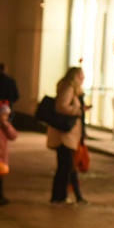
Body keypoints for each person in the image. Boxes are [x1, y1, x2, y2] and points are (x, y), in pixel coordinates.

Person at [47, 67, 85, 204]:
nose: (83, 78)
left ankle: (60, 196)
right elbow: (60, 106)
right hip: (64, 134)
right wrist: (78, 110)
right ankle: (60, 196)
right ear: (75, 76)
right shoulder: (68, 89)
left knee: (65, 166)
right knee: (66, 166)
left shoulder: (71, 89)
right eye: (81, 75)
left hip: (67, 135)